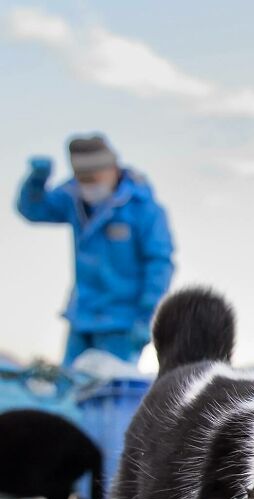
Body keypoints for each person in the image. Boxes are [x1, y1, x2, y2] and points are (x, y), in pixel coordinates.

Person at [16, 134, 174, 366]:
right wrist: (36, 181)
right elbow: (34, 210)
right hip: (82, 316)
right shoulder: (73, 197)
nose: (88, 185)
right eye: (82, 179)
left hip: (122, 323)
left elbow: (159, 262)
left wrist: (147, 314)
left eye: (93, 178)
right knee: (70, 391)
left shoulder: (143, 208)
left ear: (112, 168)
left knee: (109, 391)